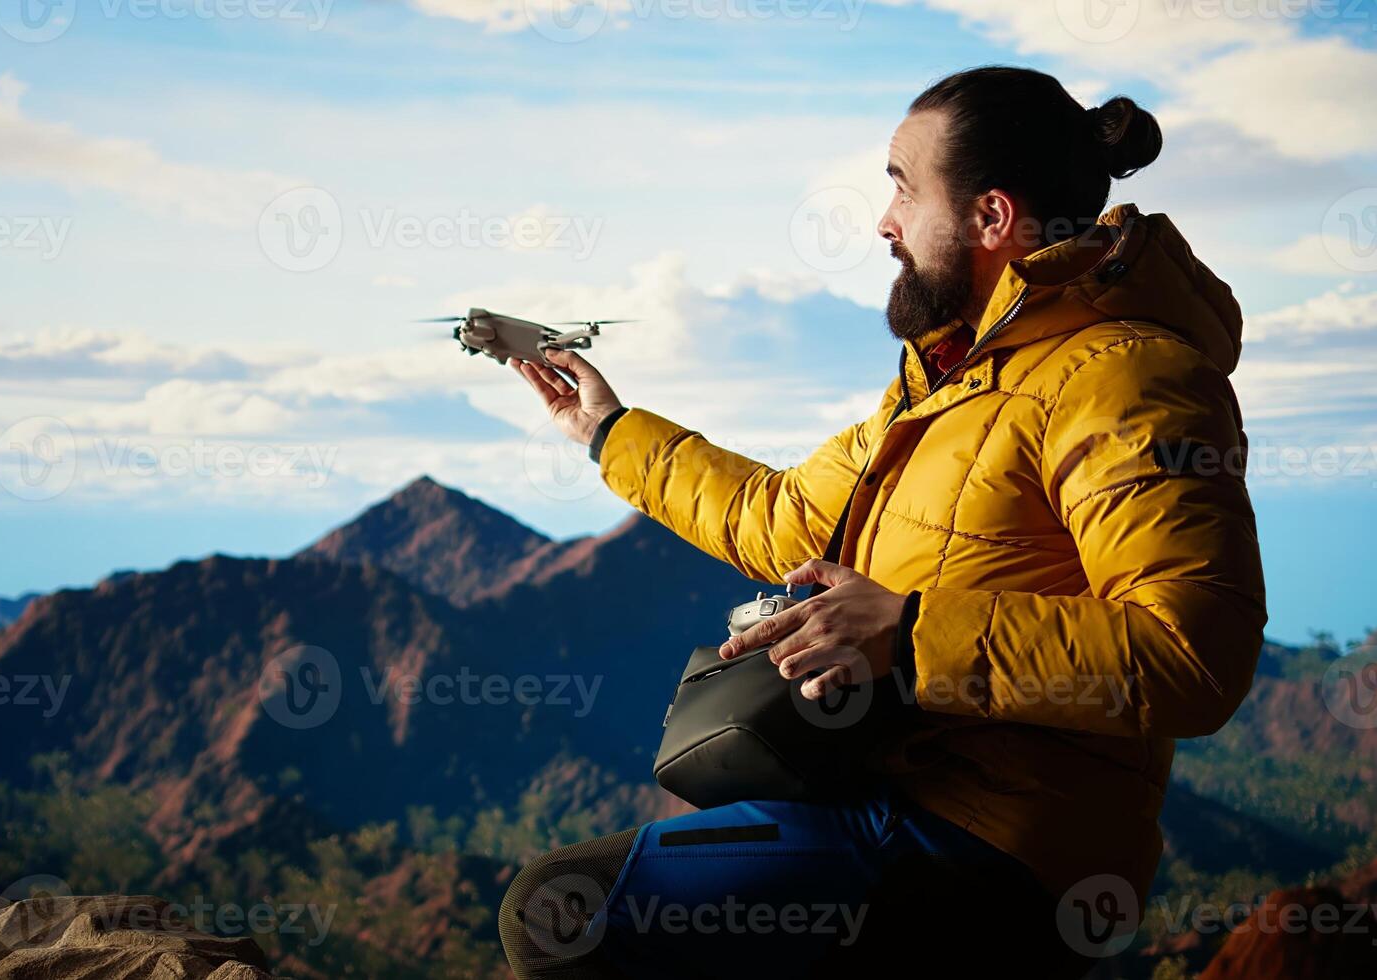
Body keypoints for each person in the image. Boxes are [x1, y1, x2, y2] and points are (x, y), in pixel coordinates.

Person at [499, 65, 1266, 979]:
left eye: (903, 184)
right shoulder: (944, 385)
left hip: (993, 851)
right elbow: (775, 515)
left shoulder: (1129, 379)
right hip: (885, 797)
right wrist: (609, 431)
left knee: (559, 911)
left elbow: (1191, 658)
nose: (884, 221)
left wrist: (904, 634)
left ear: (989, 218)